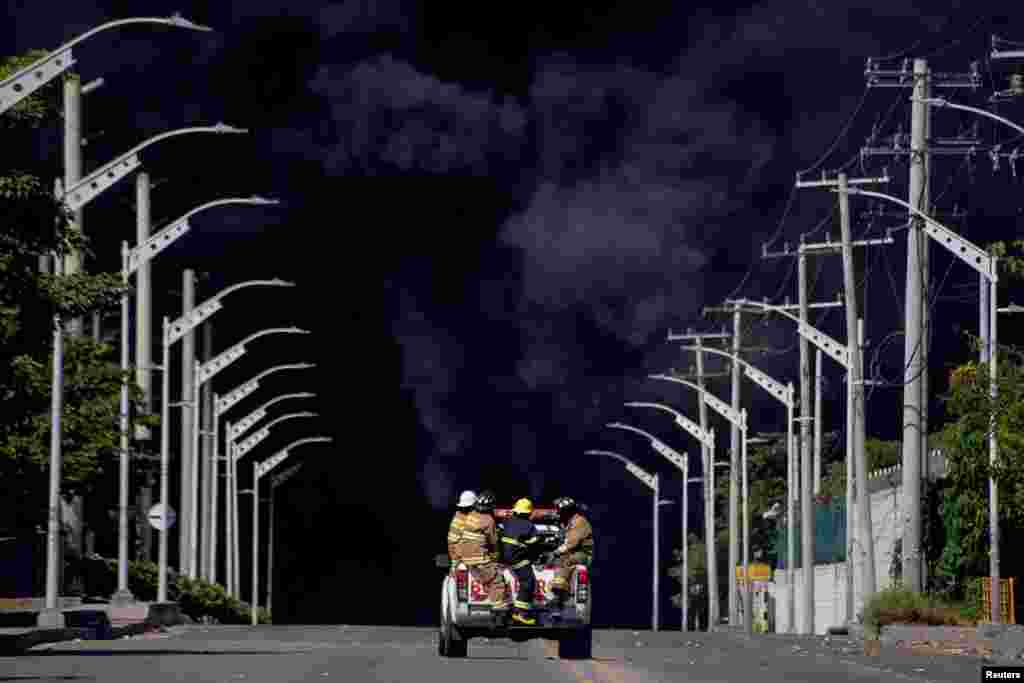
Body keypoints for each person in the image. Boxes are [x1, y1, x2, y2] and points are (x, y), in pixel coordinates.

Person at [455, 490, 509, 612]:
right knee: (496, 580)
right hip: (478, 558)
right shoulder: (489, 520)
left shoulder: (470, 515)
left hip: (466, 558)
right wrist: (496, 558)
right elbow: (493, 542)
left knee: (485, 577)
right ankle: (499, 612)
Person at [499, 498, 543, 626]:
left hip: (504, 558)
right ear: (528, 513)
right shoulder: (530, 526)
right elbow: (535, 544)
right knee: (528, 582)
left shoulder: (507, 521)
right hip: (516, 559)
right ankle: (521, 614)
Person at [550, 496, 594, 605]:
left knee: (565, 559)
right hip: (575, 550)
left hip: (584, 554)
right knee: (562, 557)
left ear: (566, 511)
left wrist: (556, 552)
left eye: (559, 511)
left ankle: (559, 592)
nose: (558, 513)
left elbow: (571, 543)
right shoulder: (569, 522)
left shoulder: (579, 522)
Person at [447, 490, 477, 568]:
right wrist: (455, 561)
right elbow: (451, 542)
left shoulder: (475, 516)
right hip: (463, 561)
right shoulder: (459, 519)